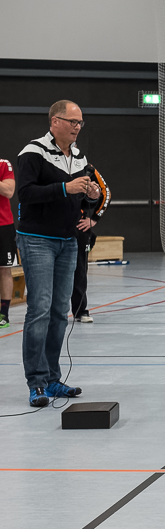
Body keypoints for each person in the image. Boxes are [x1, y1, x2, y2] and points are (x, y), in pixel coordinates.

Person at [16, 101, 101, 407]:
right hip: (37, 239)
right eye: (72, 121)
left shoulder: (79, 156)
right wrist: (66, 188)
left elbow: (81, 197)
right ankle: (36, 382)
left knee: (59, 313)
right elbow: (25, 194)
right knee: (39, 309)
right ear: (55, 121)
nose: (77, 127)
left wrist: (90, 196)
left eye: (80, 122)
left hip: (68, 241)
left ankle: (53, 379)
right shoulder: (33, 152)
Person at [71, 164, 109, 323]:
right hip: (55, 226)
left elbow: (106, 193)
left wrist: (94, 219)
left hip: (79, 227)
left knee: (80, 269)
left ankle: (80, 311)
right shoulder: (49, 163)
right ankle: (51, 312)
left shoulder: (86, 167)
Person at [0, 158, 15, 329]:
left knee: (4, 269)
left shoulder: (3, 164)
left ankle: (4, 314)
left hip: (3, 225)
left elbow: (9, 191)